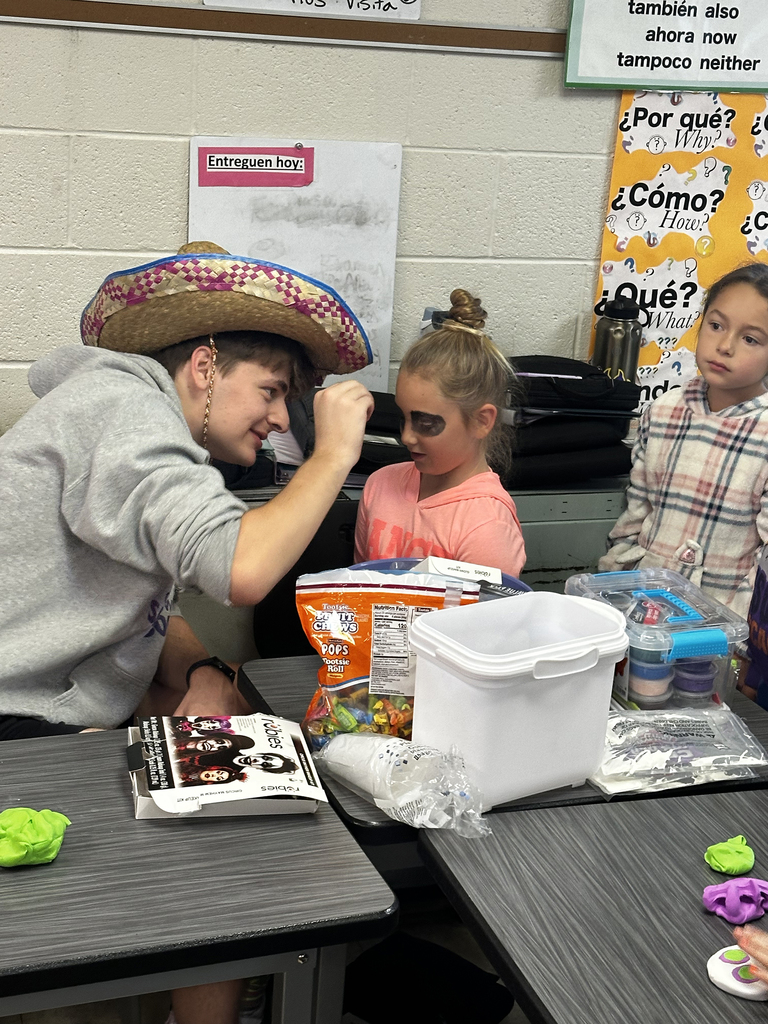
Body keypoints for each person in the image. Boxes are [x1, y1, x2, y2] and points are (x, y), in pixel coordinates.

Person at [0, 241, 374, 1024]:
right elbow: (239, 568)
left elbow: (139, 610)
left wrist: (205, 670)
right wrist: (336, 452)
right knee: (230, 828)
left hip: (46, 707)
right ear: (204, 366)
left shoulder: (127, 417)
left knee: (222, 746)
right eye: (271, 390)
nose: (280, 419)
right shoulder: (123, 411)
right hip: (18, 728)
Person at [599, 263, 768, 617]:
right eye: (716, 325)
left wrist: (740, 627)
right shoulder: (664, 411)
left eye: (750, 339)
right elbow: (635, 514)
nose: (724, 346)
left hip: (722, 621)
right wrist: (614, 586)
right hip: (643, 606)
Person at [354, 289, 526, 576]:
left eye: (425, 423)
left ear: (481, 421)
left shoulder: (486, 526)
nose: (406, 437)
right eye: (404, 417)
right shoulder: (379, 485)